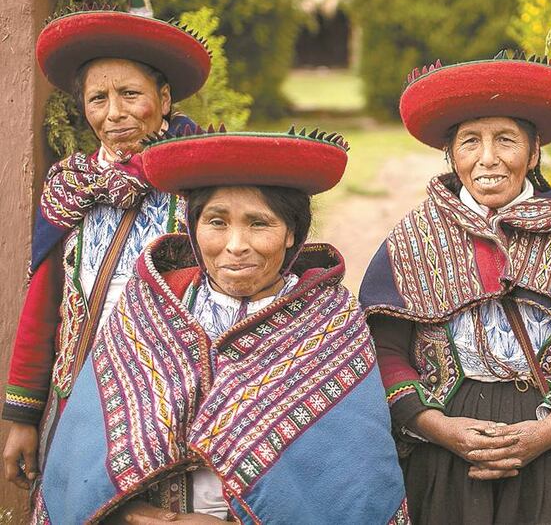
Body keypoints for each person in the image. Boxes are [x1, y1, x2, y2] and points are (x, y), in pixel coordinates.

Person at [359, 52, 551, 525]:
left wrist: (548, 431)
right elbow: (383, 348)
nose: (488, 158)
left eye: (505, 140)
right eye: (470, 141)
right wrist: (438, 427)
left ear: (532, 153)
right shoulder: (413, 242)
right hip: (444, 454)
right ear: (451, 155)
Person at [32, 128, 409, 523]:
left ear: (292, 233)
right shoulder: (149, 309)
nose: (235, 244)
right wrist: (135, 514)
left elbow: (351, 477)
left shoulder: (330, 321)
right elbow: (87, 456)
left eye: (258, 224)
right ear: (193, 227)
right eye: (216, 222)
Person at [3, 10, 211, 489]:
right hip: (79, 395)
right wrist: (23, 416)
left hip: (179, 401)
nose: (114, 112)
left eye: (130, 94)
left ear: (163, 99)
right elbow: (44, 304)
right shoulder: (69, 189)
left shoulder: (202, 180)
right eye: (98, 98)